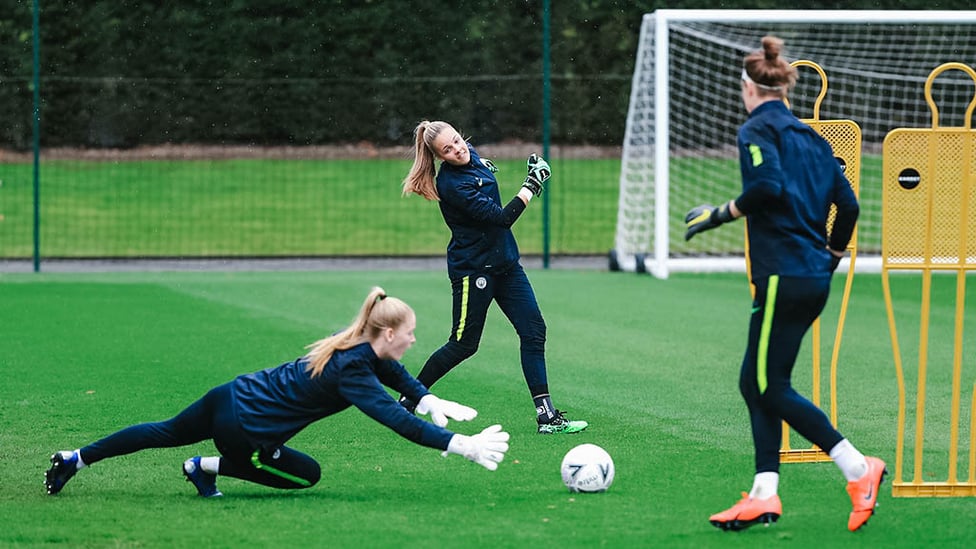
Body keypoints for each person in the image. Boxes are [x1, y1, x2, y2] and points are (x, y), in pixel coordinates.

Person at [684, 36, 886, 533]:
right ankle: (763, 494)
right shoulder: (815, 139)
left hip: (782, 274)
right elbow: (852, 206)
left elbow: (765, 187)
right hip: (812, 275)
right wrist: (833, 256)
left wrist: (716, 215)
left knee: (763, 384)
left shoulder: (755, 128)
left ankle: (859, 469)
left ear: (749, 88)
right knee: (760, 384)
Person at [45, 287, 510, 498]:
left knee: (163, 431)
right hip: (245, 429)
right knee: (306, 476)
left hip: (229, 394)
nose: (412, 340)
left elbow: (395, 374)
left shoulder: (352, 342)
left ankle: (75, 458)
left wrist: (426, 397)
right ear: (386, 334)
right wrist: (459, 444)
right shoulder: (353, 370)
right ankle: (203, 466)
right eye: (408, 333)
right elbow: (395, 420)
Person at [400, 120, 587, 435]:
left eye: (458, 141)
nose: (459, 150)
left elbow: (479, 168)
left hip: (507, 265)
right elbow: (501, 219)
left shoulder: (471, 154)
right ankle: (408, 398)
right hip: (473, 271)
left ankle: (546, 416)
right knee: (463, 344)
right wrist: (532, 184)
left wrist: (483, 165)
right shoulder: (451, 185)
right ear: (440, 157)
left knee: (533, 331)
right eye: (449, 149)